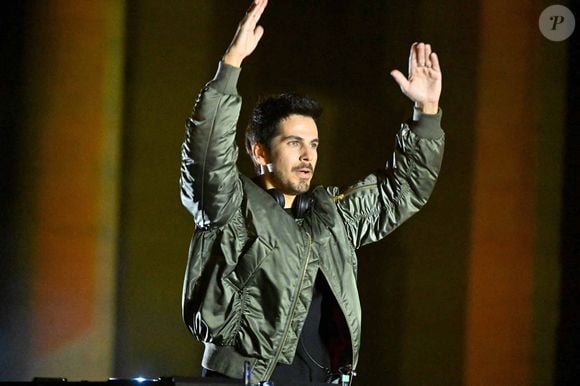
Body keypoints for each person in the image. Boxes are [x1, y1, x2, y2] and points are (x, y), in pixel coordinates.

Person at [180, 0, 444, 383]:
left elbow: (402, 192)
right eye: (293, 143)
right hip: (243, 378)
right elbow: (206, 155)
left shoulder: (331, 214)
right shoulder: (229, 204)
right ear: (259, 151)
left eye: (315, 144)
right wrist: (231, 65)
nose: (307, 156)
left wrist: (427, 111)